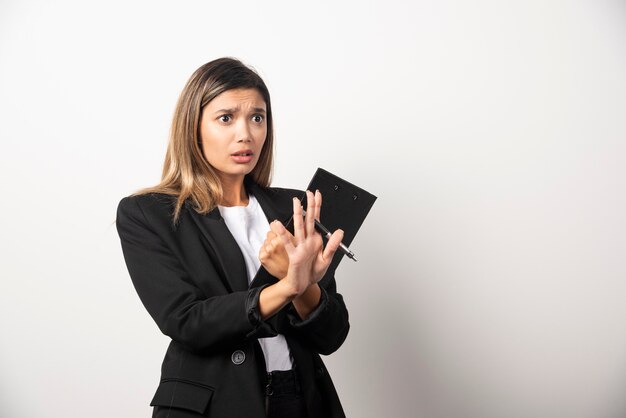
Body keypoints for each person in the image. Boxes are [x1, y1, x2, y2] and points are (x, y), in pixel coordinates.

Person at [116, 57, 350, 418]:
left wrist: (307, 287)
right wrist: (288, 285)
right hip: (214, 406)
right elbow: (187, 322)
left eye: (257, 117)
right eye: (226, 118)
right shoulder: (148, 213)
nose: (246, 133)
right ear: (192, 127)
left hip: (302, 399)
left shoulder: (296, 207)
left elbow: (331, 337)